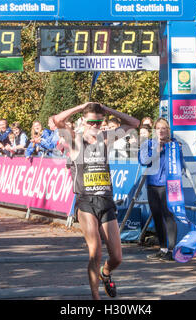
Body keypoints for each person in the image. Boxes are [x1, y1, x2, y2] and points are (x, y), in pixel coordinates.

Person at [53, 102, 140, 300]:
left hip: (106, 201)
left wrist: (109, 110)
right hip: (86, 202)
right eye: (91, 122)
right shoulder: (75, 139)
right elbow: (58, 120)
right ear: (83, 121)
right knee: (95, 252)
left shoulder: (106, 139)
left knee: (117, 258)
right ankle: (96, 298)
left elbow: (134, 123)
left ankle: (106, 273)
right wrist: (81, 106)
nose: (95, 126)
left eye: (99, 123)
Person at [139, 118, 181, 262]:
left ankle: (171, 250)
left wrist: (172, 147)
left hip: (168, 185)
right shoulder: (148, 144)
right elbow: (144, 161)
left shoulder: (174, 144)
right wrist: (156, 151)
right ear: (154, 130)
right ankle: (162, 248)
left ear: (168, 130)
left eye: (164, 128)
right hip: (152, 184)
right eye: (158, 128)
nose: (161, 131)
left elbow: (180, 163)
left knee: (168, 216)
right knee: (157, 216)